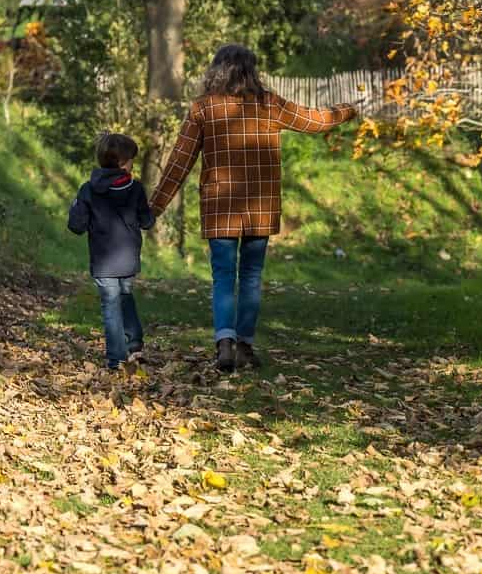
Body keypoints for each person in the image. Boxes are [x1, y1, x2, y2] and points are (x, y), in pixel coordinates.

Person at [149, 44, 357, 372]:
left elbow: (180, 162)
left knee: (222, 276)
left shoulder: (203, 109)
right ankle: (244, 345)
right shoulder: (269, 104)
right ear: (251, 71)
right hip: (260, 205)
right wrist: (348, 109)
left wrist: (155, 206)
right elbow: (315, 120)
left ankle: (225, 343)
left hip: (220, 205)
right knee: (250, 276)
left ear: (217, 70)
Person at [68, 132, 155, 372]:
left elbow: (76, 225)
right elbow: (147, 222)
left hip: (103, 260)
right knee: (125, 296)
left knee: (110, 305)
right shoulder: (136, 188)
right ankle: (134, 343)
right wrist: (147, 212)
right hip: (127, 260)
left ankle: (117, 358)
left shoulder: (88, 190)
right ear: (121, 163)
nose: (133, 165)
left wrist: (75, 207)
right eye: (131, 161)